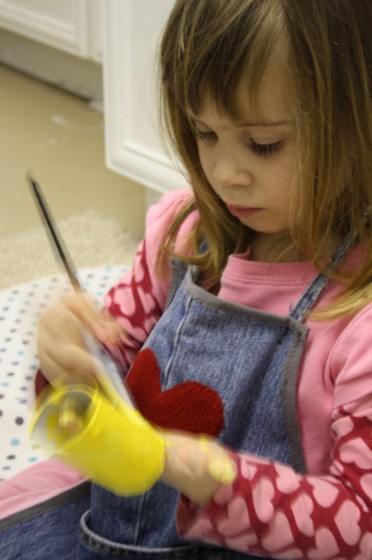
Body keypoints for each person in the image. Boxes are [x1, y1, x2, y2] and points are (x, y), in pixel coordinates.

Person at [2, 0, 372, 558]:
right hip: (107, 526)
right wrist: (68, 355)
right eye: (204, 133)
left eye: (264, 143)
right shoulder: (184, 234)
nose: (225, 173)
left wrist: (205, 475)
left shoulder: (358, 320)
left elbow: (359, 523)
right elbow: (112, 371)